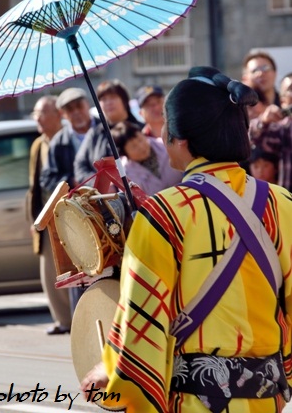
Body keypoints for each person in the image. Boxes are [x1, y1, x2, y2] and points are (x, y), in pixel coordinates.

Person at [81, 66, 292, 413]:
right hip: (267, 400)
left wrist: (111, 378)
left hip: (194, 401)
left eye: (166, 126)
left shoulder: (163, 215)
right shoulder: (283, 204)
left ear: (182, 140)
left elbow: (140, 327)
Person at [40, 87, 97, 313]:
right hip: (74, 215)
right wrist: (70, 180)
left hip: (105, 209)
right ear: (63, 114)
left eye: (79, 106)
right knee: (79, 268)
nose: (76, 113)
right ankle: (82, 322)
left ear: (87, 106)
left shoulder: (104, 131)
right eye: (69, 109)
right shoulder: (59, 142)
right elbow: (47, 178)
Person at [27, 95, 71, 335]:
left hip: (69, 213)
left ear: (57, 115)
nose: (38, 118)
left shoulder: (67, 139)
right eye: (36, 113)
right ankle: (63, 320)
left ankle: (78, 317)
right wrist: (33, 218)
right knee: (49, 271)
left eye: (42, 112)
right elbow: (34, 186)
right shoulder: (38, 144)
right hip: (46, 215)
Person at [74, 79, 144, 185]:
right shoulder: (95, 133)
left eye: (113, 97)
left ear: (124, 100)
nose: (108, 103)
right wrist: (98, 184)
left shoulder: (140, 129)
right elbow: (80, 166)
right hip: (102, 197)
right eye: (103, 99)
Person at [110, 121, 182, 195]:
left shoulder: (166, 145)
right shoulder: (126, 175)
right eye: (133, 146)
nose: (141, 147)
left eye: (140, 140)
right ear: (125, 153)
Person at [249, 73, 292, 191]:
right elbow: (249, 140)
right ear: (283, 100)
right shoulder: (280, 129)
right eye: (291, 89)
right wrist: (263, 121)